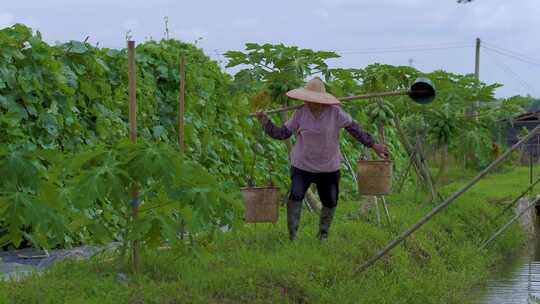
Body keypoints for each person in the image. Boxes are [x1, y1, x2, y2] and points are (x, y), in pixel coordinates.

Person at [255, 77, 389, 241]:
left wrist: (373, 145)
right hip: (302, 166)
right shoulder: (300, 113)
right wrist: (265, 122)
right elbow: (282, 133)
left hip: (328, 167)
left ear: (322, 100)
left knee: (330, 201)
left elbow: (355, 129)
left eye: (314, 100)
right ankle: (293, 236)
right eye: (308, 99)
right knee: (295, 196)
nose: (310, 103)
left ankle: (323, 234)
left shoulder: (336, 113)